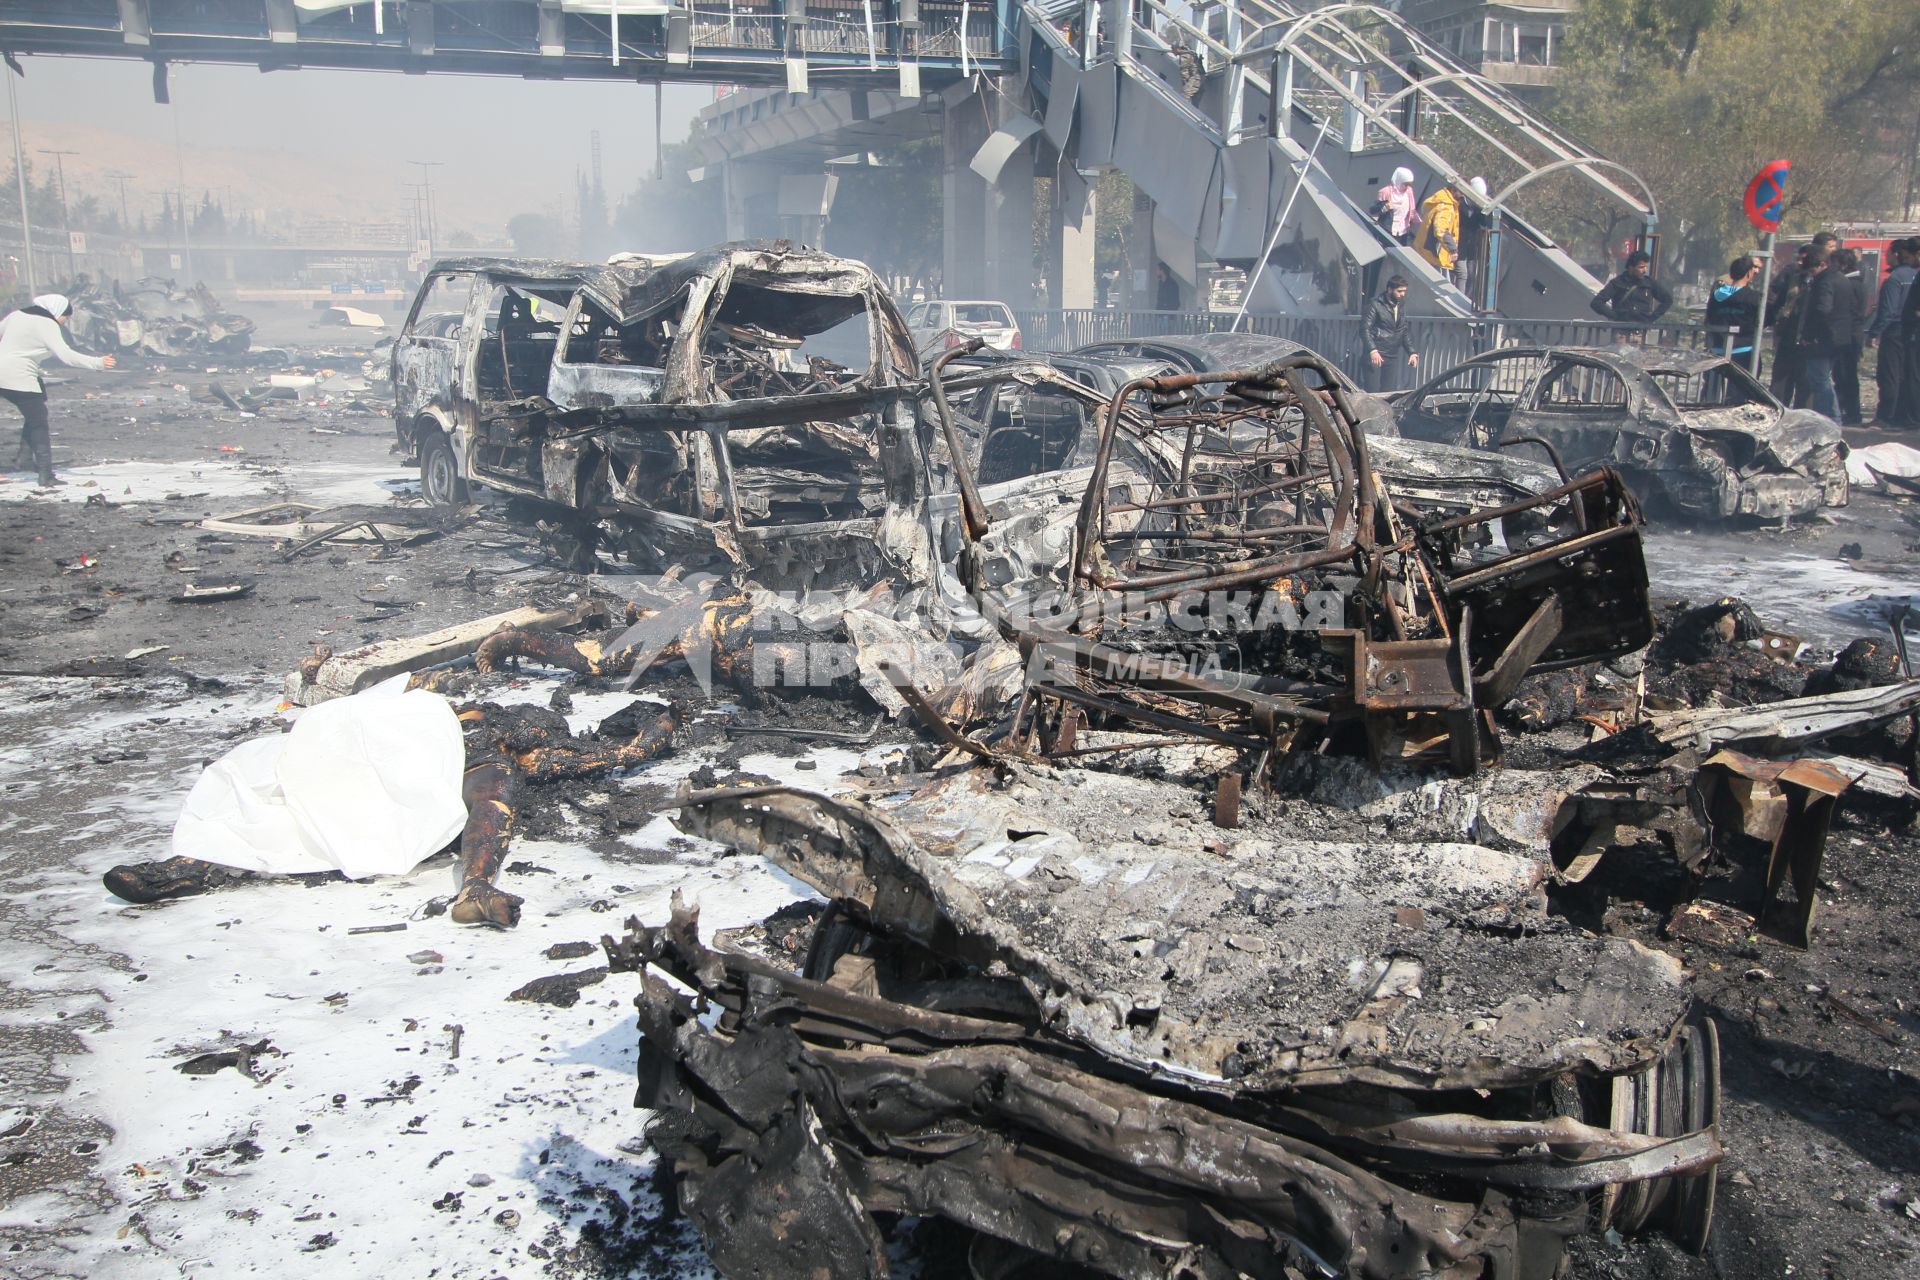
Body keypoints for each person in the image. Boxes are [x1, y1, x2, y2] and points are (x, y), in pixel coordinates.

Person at [0, 293, 115, 489]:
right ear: (57, 312)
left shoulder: (16, 315)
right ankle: (46, 475)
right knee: (39, 423)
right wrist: (98, 362)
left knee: (35, 413)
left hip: (10, 372)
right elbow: (66, 355)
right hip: (18, 376)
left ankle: (24, 460)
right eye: (66, 317)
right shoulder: (47, 324)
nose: (65, 322)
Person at [1868, 238, 1918, 427]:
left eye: (1888, 252)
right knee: (1908, 375)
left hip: (1894, 330)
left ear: (1897, 254)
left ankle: (1886, 415)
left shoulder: (1895, 279)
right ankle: (1902, 414)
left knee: (1889, 375)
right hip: (1910, 331)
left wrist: (1875, 332)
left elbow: (1888, 311)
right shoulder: (1914, 275)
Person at [1795, 245, 1841, 421]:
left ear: (1822, 265)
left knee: (1821, 381)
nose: (1811, 274)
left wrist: (1809, 335)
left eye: (1812, 269)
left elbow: (1821, 310)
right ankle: (1830, 418)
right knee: (1824, 380)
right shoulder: (1838, 278)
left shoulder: (1824, 282)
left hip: (1821, 340)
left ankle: (1828, 419)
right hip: (1833, 338)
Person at [1767, 244, 1816, 406]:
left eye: (1805, 260)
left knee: (1804, 381)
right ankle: (1777, 408)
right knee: (1781, 379)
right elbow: (1778, 299)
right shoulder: (1791, 275)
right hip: (1788, 333)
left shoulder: (1819, 280)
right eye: (1799, 259)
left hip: (1807, 338)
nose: (1801, 263)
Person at [1830, 247, 1869, 425]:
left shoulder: (1851, 284)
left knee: (1847, 375)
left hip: (1849, 337)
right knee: (1843, 375)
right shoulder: (1855, 282)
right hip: (1849, 335)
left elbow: (1853, 313)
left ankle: (1851, 412)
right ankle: (1847, 410)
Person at [1363, 275, 1418, 392]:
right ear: (1389, 289)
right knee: (1372, 392)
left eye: (1404, 291)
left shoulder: (1400, 306)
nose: (1403, 294)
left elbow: (1403, 330)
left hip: (1392, 354)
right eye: (1399, 291)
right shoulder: (1375, 304)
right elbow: (1364, 329)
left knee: (1388, 392)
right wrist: (1372, 350)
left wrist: (1412, 352)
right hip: (1376, 354)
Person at [1589, 250, 1673, 324]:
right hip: (1621, 333)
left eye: (1646, 267)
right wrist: (1615, 316)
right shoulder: (1617, 283)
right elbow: (1596, 303)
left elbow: (1667, 300)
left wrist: (1651, 318)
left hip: (1641, 333)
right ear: (1631, 267)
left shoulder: (1649, 283)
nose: (1645, 270)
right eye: (1641, 267)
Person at [1705, 256, 1761, 361]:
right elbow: (1763, 320)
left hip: (1717, 351)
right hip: (1744, 351)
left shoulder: (1716, 295)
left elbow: (1709, 317)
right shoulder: (1753, 297)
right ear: (1748, 273)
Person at [1413, 180, 1462, 282]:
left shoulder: (1440, 200)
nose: (1463, 196)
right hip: (1433, 256)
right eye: (1461, 193)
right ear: (1453, 190)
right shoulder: (1446, 206)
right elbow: (1440, 230)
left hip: (1425, 251)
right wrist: (1453, 249)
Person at [1456, 176, 1490, 306]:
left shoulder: (1480, 208)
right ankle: (1459, 300)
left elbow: (1483, 223)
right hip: (1460, 242)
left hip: (1473, 244)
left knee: (1472, 273)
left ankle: (1467, 300)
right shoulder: (1460, 203)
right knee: (1462, 272)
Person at [1370, 168, 1422, 246]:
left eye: (1409, 185)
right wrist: (1385, 207)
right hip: (1387, 231)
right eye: (1405, 184)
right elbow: (1373, 211)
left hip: (1402, 233)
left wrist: (1422, 224)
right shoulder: (1385, 192)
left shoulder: (1409, 192)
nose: (1407, 187)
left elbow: (1412, 211)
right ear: (1398, 181)